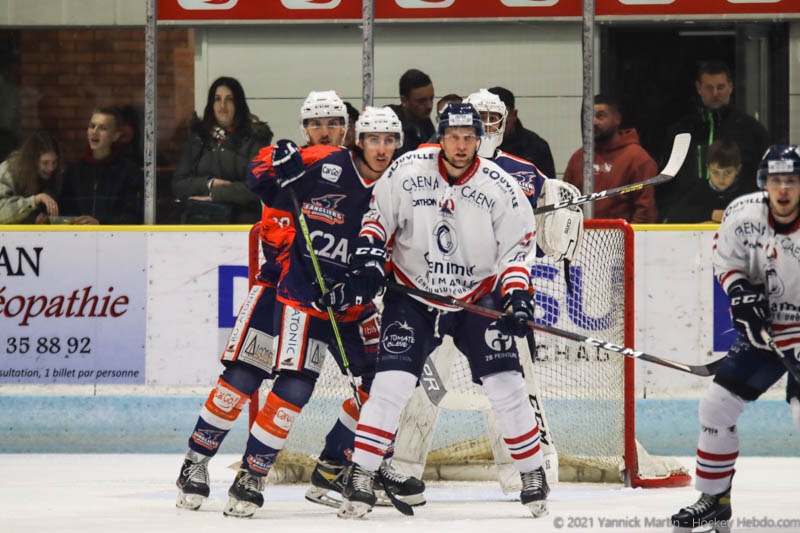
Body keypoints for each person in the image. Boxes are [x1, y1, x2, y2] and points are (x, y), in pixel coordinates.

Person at [175, 106, 424, 518]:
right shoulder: (308, 163)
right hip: (290, 289)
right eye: (315, 124)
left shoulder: (391, 182)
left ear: (348, 131)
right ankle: (203, 461)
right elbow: (261, 185)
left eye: (333, 123)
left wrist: (368, 278)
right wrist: (278, 165)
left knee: (382, 380)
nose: (324, 130)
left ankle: (338, 465)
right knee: (250, 377)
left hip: (347, 298)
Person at [321, 103, 550, 520]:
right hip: (415, 296)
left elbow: (517, 248)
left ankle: (532, 473)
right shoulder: (407, 170)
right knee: (390, 386)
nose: (461, 145)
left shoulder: (500, 185)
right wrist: (369, 261)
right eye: (454, 136)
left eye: (469, 137)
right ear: (440, 137)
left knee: (507, 385)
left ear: (479, 139)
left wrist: (517, 294)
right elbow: (377, 219)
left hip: (477, 296)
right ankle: (362, 474)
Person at [670, 145, 800, 532]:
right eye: (776, 180)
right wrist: (742, 296)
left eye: (792, 180)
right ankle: (715, 501)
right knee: (717, 408)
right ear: (764, 182)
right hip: (766, 332)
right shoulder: (743, 214)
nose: (783, 189)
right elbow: (727, 261)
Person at [656, 60, 770, 222]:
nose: (715, 93)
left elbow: (766, 182)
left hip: (744, 221)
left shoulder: (752, 131)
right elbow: (666, 186)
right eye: (709, 88)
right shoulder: (680, 132)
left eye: (720, 87)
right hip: (687, 224)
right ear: (699, 88)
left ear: (730, 87)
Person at [172, 76, 273, 224]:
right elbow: (179, 184)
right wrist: (209, 183)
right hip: (199, 223)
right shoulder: (198, 138)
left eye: (229, 99)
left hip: (241, 224)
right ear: (211, 104)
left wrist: (216, 194)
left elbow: (257, 186)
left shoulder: (255, 138)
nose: (222, 105)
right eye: (217, 99)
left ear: (238, 103)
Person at [563, 94, 658, 223]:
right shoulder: (579, 157)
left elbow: (645, 209)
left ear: (617, 118)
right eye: (589, 117)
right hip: (582, 234)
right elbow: (565, 202)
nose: (594, 122)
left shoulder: (637, 158)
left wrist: (630, 234)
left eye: (600, 116)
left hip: (622, 234)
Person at [59, 107, 143, 225]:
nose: (94, 132)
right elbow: (64, 210)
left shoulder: (128, 172)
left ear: (115, 136)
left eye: (103, 128)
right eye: (92, 126)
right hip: (77, 235)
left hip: (113, 235)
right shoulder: (73, 170)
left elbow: (133, 216)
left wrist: (101, 223)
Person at [661, 139, 745, 223]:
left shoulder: (745, 193)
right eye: (715, 172)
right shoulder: (697, 190)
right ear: (708, 169)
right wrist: (710, 214)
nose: (721, 178)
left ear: (738, 169)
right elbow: (673, 215)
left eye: (727, 172)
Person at [488, 86, 556, 180]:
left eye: (503, 122)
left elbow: (549, 186)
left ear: (514, 115)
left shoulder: (536, 147)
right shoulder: (474, 145)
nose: (496, 128)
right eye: (491, 120)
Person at [0, 131, 62, 224]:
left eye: (54, 162)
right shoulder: (7, 172)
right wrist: (34, 200)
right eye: (45, 163)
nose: (51, 168)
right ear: (32, 162)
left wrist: (38, 219)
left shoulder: (55, 175)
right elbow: (1, 213)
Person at [388, 68, 435, 158]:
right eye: (422, 101)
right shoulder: (389, 123)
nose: (429, 106)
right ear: (404, 100)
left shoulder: (425, 122)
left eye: (431, 99)